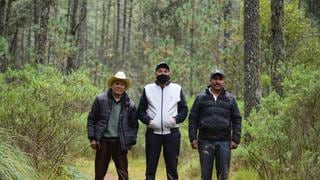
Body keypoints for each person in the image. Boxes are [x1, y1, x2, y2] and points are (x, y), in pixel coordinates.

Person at [137, 62, 188, 180]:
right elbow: (140, 111)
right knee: (150, 166)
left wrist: (176, 119)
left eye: (165, 71)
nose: (163, 73)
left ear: (169, 73)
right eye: (160, 71)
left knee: (172, 166)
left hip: (172, 133)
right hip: (153, 133)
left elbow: (184, 109)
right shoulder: (148, 89)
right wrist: (149, 121)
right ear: (155, 73)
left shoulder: (177, 88)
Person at [188, 69, 242, 180]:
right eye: (215, 79)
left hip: (224, 142)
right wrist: (193, 138)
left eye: (220, 79)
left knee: (223, 176)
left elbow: (237, 119)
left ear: (223, 81)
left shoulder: (230, 99)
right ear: (210, 81)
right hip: (205, 141)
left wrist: (236, 139)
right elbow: (193, 118)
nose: (217, 82)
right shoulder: (200, 98)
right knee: (206, 176)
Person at [87, 71, 139, 180]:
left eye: (122, 84)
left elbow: (134, 125)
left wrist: (130, 142)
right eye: (116, 83)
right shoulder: (100, 99)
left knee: (123, 173)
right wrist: (92, 138)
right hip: (103, 141)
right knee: (99, 172)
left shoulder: (130, 104)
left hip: (120, 142)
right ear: (112, 85)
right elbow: (91, 119)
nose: (119, 86)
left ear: (125, 87)